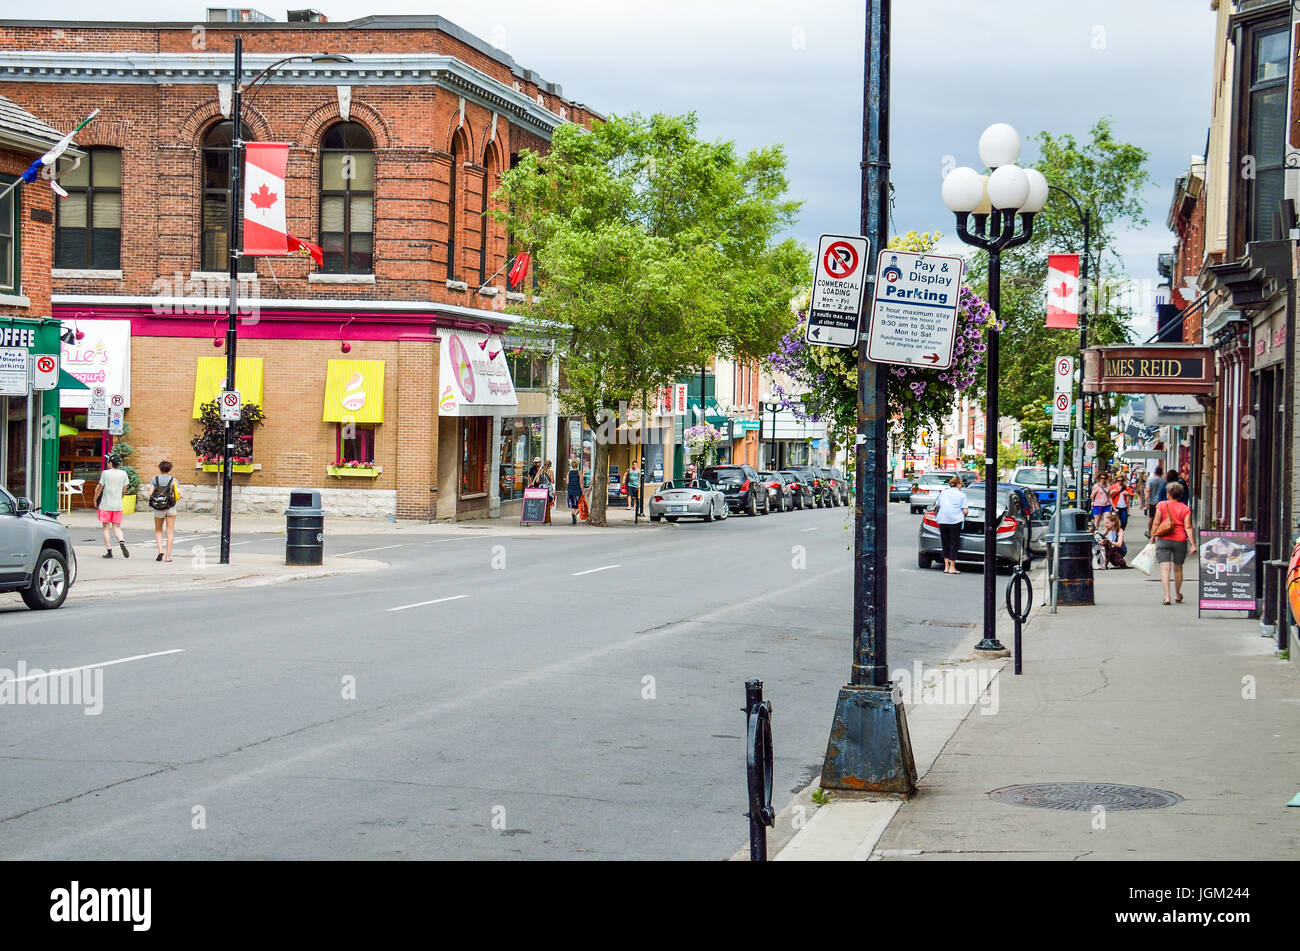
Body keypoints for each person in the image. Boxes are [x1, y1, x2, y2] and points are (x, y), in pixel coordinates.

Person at [1153, 481, 1195, 605]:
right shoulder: (1185, 508)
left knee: (1165, 569)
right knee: (1178, 568)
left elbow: (1156, 523)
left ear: (1169, 494)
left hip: (1163, 540)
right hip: (1180, 540)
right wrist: (1193, 544)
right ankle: (1177, 593)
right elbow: (1188, 526)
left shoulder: (1161, 505)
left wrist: (1152, 537)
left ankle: (1167, 597)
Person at [95, 454, 130, 558]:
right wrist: (121, 498)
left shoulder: (105, 473)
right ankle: (121, 541)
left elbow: (100, 488)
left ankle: (109, 551)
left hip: (105, 505)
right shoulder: (124, 474)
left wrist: (95, 499)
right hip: (117, 505)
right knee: (117, 527)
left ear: (110, 463)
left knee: (106, 528)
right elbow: (124, 489)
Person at [934, 475, 969, 575]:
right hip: (955, 521)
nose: (961, 485)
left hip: (943, 520)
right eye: (961, 484)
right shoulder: (962, 495)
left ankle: (946, 566)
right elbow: (965, 511)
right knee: (954, 543)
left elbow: (937, 505)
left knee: (945, 543)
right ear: (958, 484)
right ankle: (952, 567)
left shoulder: (943, 493)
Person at [147, 460, 181, 562]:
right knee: (169, 531)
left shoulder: (155, 479)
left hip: (159, 508)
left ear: (160, 468)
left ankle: (160, 551)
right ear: (170, 469)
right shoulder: (174, 480)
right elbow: (180, 494)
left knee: (158, 530)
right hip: (171, 507)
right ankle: (168, 557)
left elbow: (150, 493)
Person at [1145, 466, 1166, 534]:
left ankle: (1150, 532)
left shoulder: (1150, 480)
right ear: (1161, 473)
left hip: (1152, 502)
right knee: (1161, 518)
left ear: (1155, 472)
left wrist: (1146, 502)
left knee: (1151, 517)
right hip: (1161, 502)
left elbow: (1148, 491)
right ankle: (1159, 531)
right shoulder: (1163, 481)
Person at [566, 460, 583, 524]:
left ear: (572, 466)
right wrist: (583, 491)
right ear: (577, 465)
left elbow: (567, 482)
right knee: (580, 504)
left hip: (571, 490)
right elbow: (581, 483)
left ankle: (573, 515)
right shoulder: (579, 472)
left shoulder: (569, 473)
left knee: (572, 505)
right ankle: (575, 514)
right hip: (578, 490)